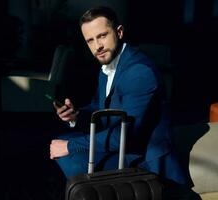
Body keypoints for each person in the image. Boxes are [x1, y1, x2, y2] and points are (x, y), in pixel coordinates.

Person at [49, 6, 198, 199]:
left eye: (102, 36)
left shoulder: (138, 72)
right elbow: (100, 107)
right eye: (90, 40)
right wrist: (76, 114)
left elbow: (124, 136)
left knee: (72, 156)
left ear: (119, 32)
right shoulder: (107, 64)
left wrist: (71, 146)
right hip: (123, 147)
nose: (97, 46)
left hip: (145, 159)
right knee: (64, 142)